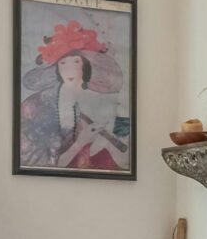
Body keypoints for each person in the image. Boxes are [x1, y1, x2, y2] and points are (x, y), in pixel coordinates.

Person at [20, 18, 130, 171]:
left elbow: (124, 153)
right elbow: (42, 165)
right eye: (63, 63)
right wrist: (81, 142)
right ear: (56, 69)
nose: (69, 69)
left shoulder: (103, 101)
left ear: (86, 66)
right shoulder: (37, 104)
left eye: (76, 62)